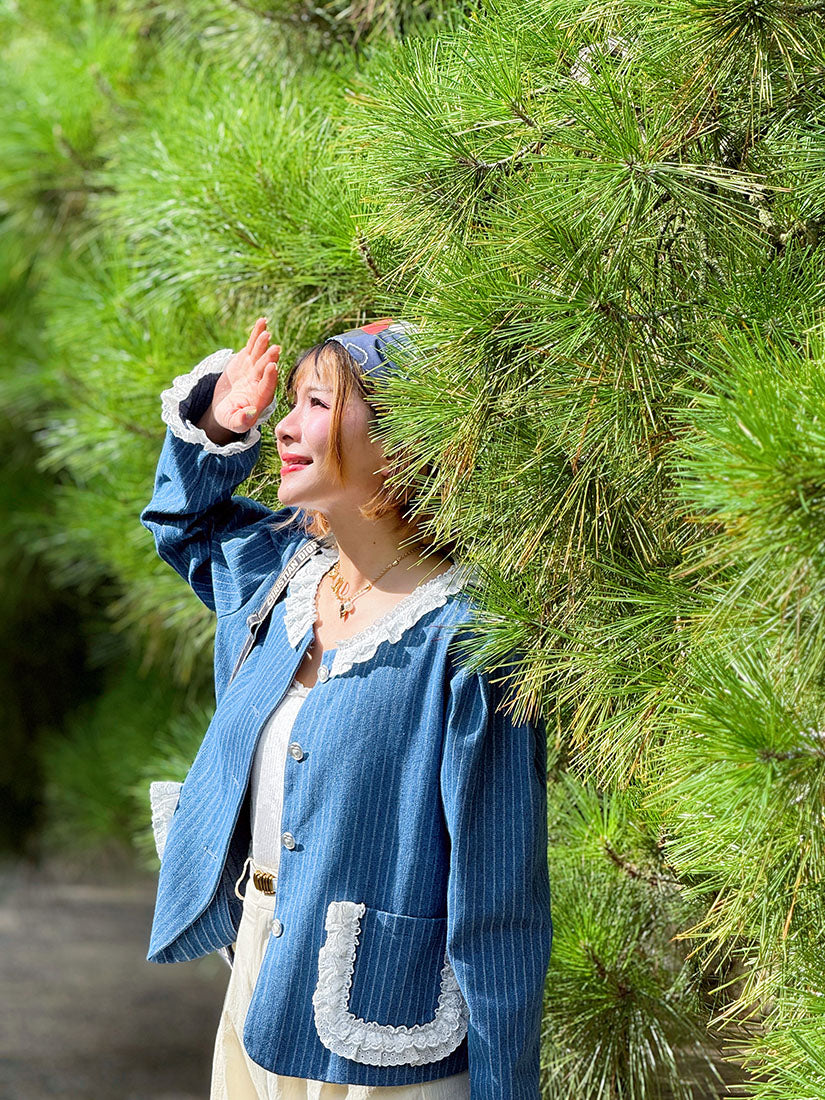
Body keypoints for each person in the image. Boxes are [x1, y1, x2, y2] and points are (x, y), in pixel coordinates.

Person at [140, 316, 552, 1099]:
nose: (287, 428)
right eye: (290, 404)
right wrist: (223, 423)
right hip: (258, 976)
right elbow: (183, 523)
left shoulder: (467, 637)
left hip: (391, 1028)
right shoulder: (282, 578)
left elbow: (500, 904)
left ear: (398, 435)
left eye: (317, 404)